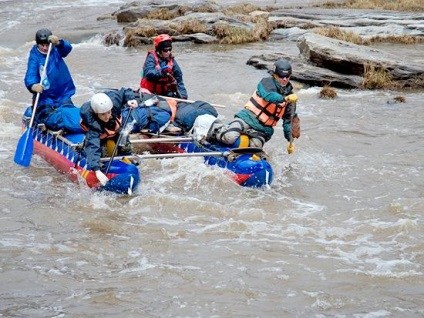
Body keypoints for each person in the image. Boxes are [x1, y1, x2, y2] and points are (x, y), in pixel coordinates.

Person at [201, 59, 300, 150]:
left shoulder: (291, 97)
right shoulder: (266, 83)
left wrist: (290, 141)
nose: (284, 79)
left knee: (255, 147)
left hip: (264, 129)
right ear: (274, 75)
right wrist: (284, 98)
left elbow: (288, 121)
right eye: (281, 76)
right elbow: (268, 96)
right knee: (229, 138)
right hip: (247, 118)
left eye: (287, 76)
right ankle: (216, 128)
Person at [24, 28, 82, 133]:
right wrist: (33, 86)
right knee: (51, 119)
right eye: (42, 45)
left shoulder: (55, 49)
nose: (45, 48)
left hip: (62, 95)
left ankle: (72, 126)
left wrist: (59, 43)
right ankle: (47, 121)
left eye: (47, 45)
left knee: (71, 115)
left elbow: (68, 48)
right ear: (38, 44)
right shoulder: (34, 56)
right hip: (45, 98)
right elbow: (30, 74)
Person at [79, 88, 139, 186]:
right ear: (96, 113)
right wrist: (97, 170)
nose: (107, 116)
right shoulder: (93, 124)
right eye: (103, 114)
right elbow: (93, 146)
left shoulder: (113, 102)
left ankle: (128, 159)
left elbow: (124, 91)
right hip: (100, 137)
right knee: (103, 153)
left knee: (125, 146)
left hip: (114, 130)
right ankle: (104, 166)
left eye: (108, 112)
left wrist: (131, 99)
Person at [139, 34, 188, 100]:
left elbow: (179, 79)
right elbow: (148, 73)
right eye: (165, 50)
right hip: (149, 93)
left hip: (165, 93)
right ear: (159, 50)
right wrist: (161, 73)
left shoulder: (172, 61)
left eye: (170, 49)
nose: (168, 52)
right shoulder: (151, 57)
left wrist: (183, 96)